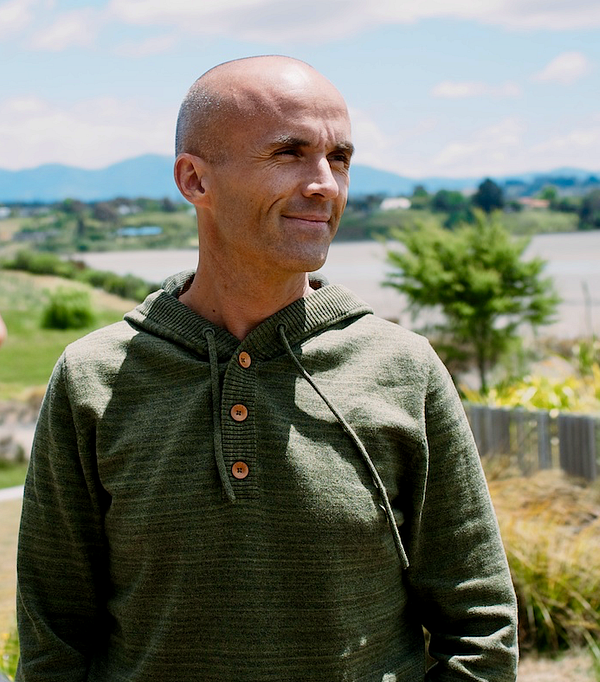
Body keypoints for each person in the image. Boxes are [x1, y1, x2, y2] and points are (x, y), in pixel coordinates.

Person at [16, 56, 518, 681]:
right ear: (194, 179)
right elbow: (53, 642)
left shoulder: (403, 370)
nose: (326, 185)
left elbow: (479, 628)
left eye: (340, 158)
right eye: (289, 153)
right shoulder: (93, 378)